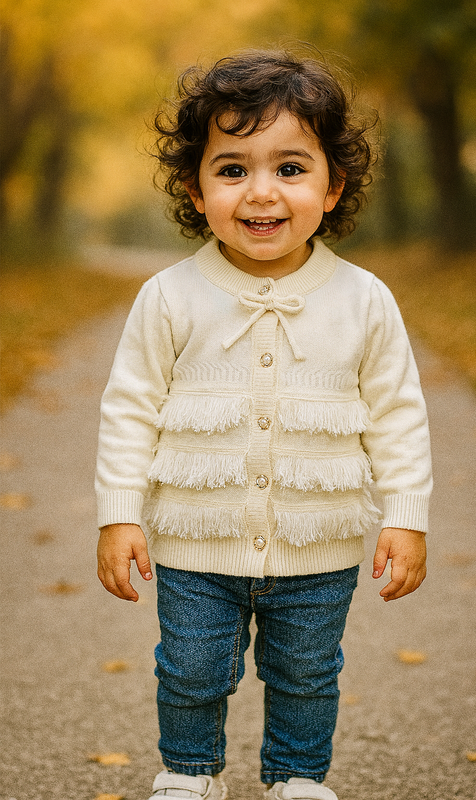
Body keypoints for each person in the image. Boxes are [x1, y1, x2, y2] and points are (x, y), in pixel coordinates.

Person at [95, 47, 432, 800]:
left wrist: (405, 517)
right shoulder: (169, 295)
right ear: (195, 185)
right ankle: (188, 775)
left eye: (289, 168)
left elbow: (397, 414)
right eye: (232, 169)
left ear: (333, 184)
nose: (261, 193)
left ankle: (297, 778)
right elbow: (129, 407)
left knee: (308, 674)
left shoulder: (363, 298)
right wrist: (118, 516)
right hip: (193, 540)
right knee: (187, 671)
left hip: (321, 545)